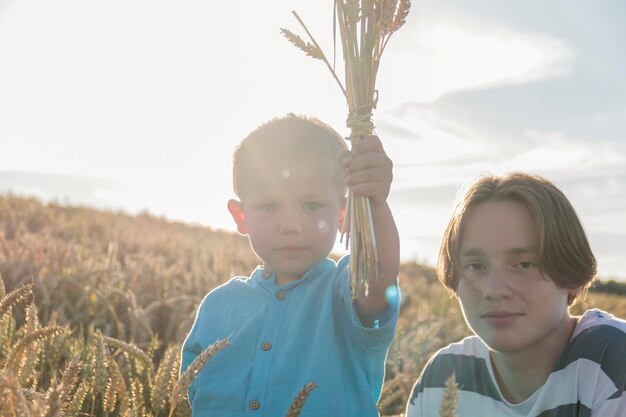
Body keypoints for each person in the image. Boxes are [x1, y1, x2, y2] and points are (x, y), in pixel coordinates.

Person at [181, 114, 400, 417]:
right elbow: (189, 396)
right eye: (269, 206)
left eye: (311, 206)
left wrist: (374, 201)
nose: (291, 225)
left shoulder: (344, 293)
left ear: (343, 215)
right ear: (240, 216)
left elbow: (377, 280)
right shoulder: (217, 307)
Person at [406, 172, 626, 417]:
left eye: (523, 264)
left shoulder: (613, 359)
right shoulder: (443, 377)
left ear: (572, 275)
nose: (494, 290)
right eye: (475, 266)